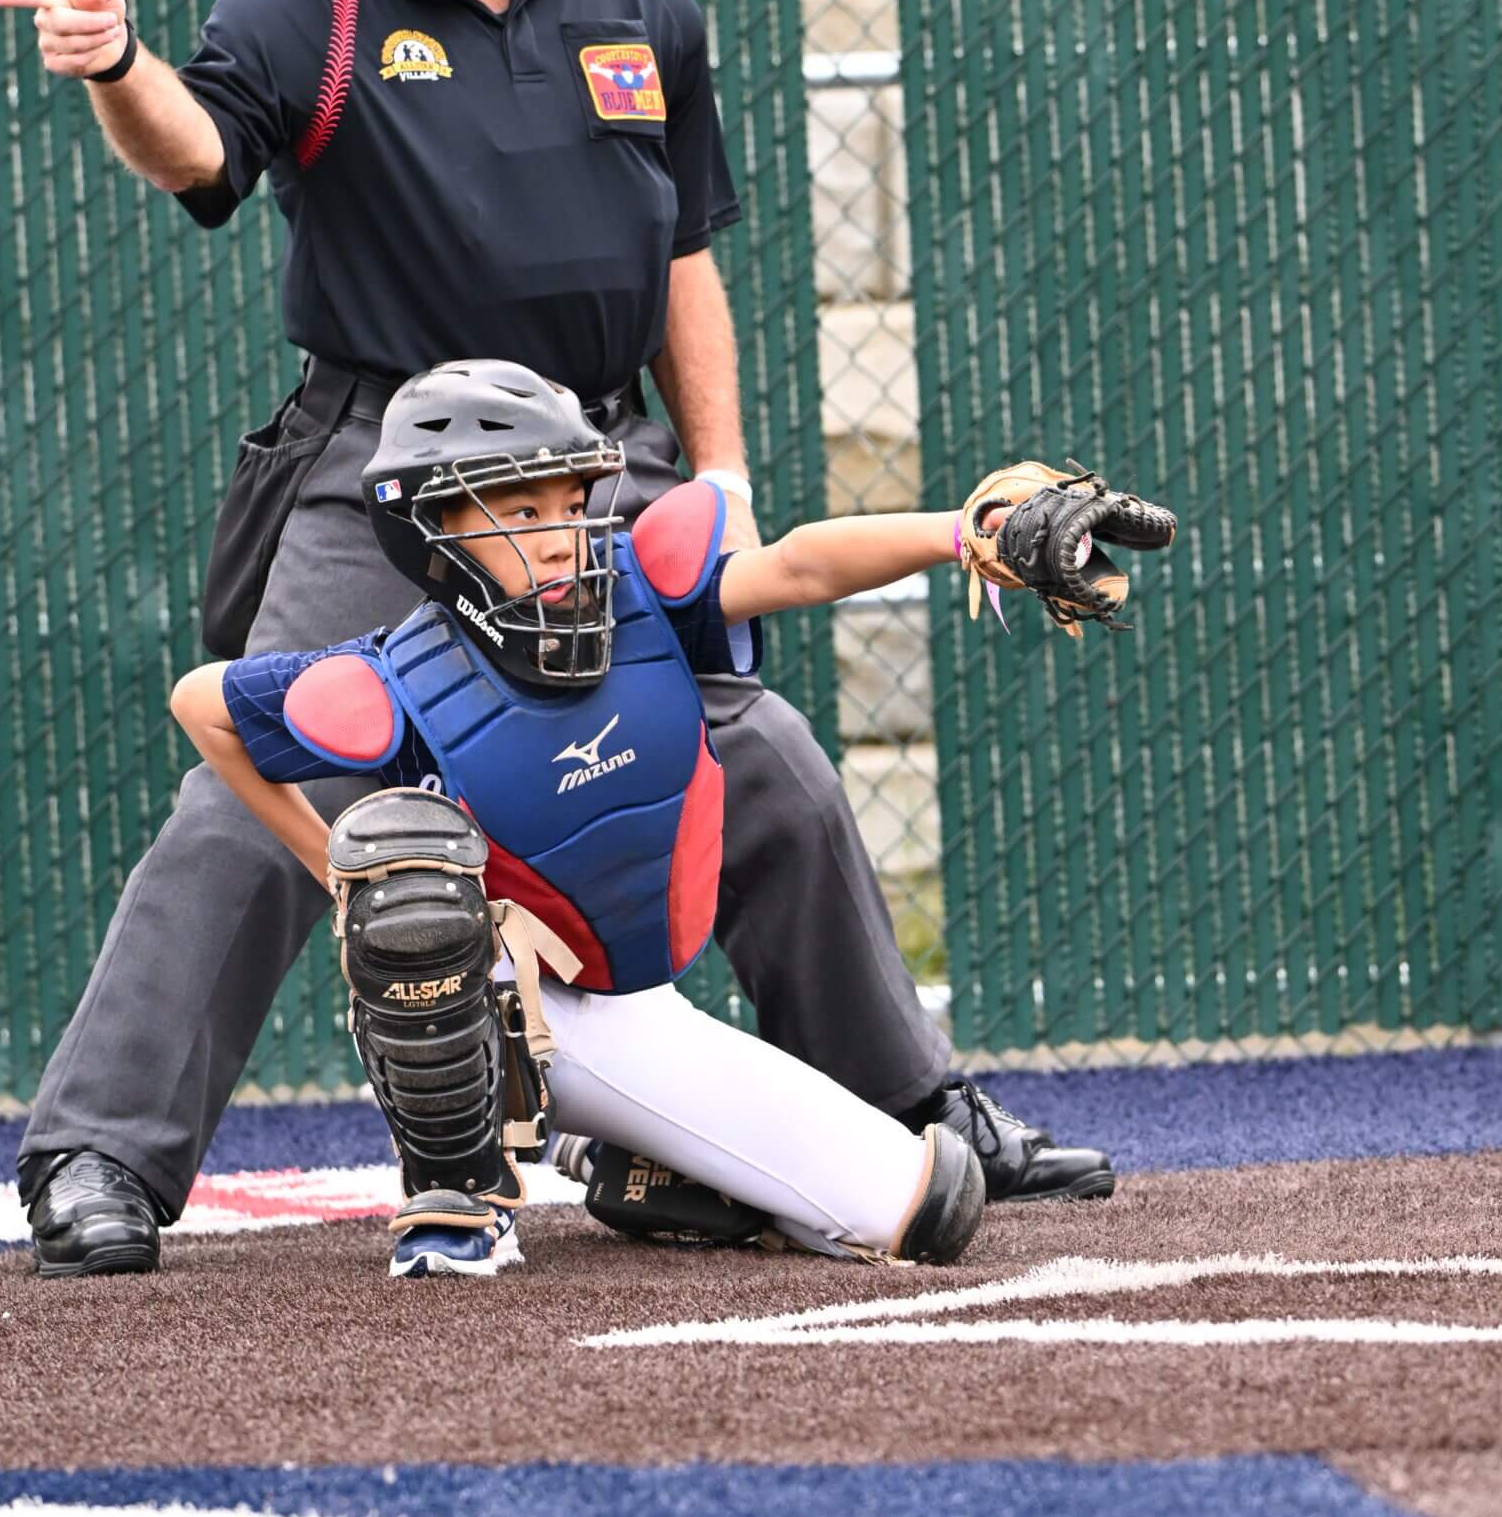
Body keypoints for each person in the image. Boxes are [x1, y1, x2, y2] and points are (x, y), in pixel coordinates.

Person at [0, 0, 1109, 1278]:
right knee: (274, 772)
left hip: (592, 463)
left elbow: (684, 262)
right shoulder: (290, 16)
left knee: (761, 751)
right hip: (378, 461)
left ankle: (919, 1105)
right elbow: (193, 157)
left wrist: (716, 471)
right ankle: (99, 1157)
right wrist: (116, 66)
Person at [170, 359, 1003, 1277]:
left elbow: (799, 565)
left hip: (630, 1000)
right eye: (519, 513)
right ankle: (461, 1194)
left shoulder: (639, 590)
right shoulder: (395, 679)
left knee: (929, 1207)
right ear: (437, 528)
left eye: (568, 503)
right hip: (495, 1005)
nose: (561, 535)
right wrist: (332, 865)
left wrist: (961, 533)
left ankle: (617, 1158)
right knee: (406, 862)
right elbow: (201, 703)